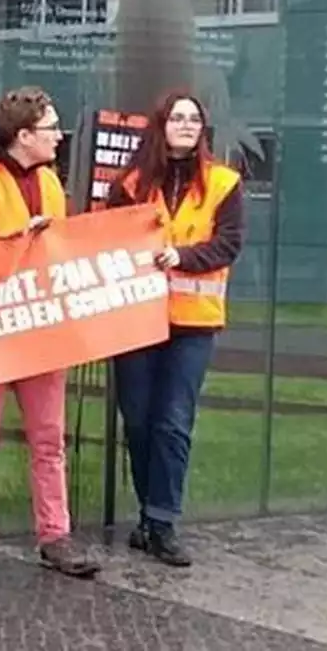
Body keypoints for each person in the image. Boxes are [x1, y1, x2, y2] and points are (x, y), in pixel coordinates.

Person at [0, 86, 99, 579]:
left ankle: (55, 535)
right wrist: (16, 243)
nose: (59, 136)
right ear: (24, 135)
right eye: (51, 127)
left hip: (39, 328)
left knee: (50, 439)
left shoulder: (52, 182)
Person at [106, 91, 244, 567]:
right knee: (140, 421)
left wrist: (181, 257)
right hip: (136, 319)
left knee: (173, 423)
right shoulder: (131, 182)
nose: (186, 125)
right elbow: (105, 239)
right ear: (161, 126)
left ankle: (162, 522)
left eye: (194, 119)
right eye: (178, 118)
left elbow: (228, 245)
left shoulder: (224, 183)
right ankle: (148, 518)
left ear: (203, 129)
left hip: (192, 324)